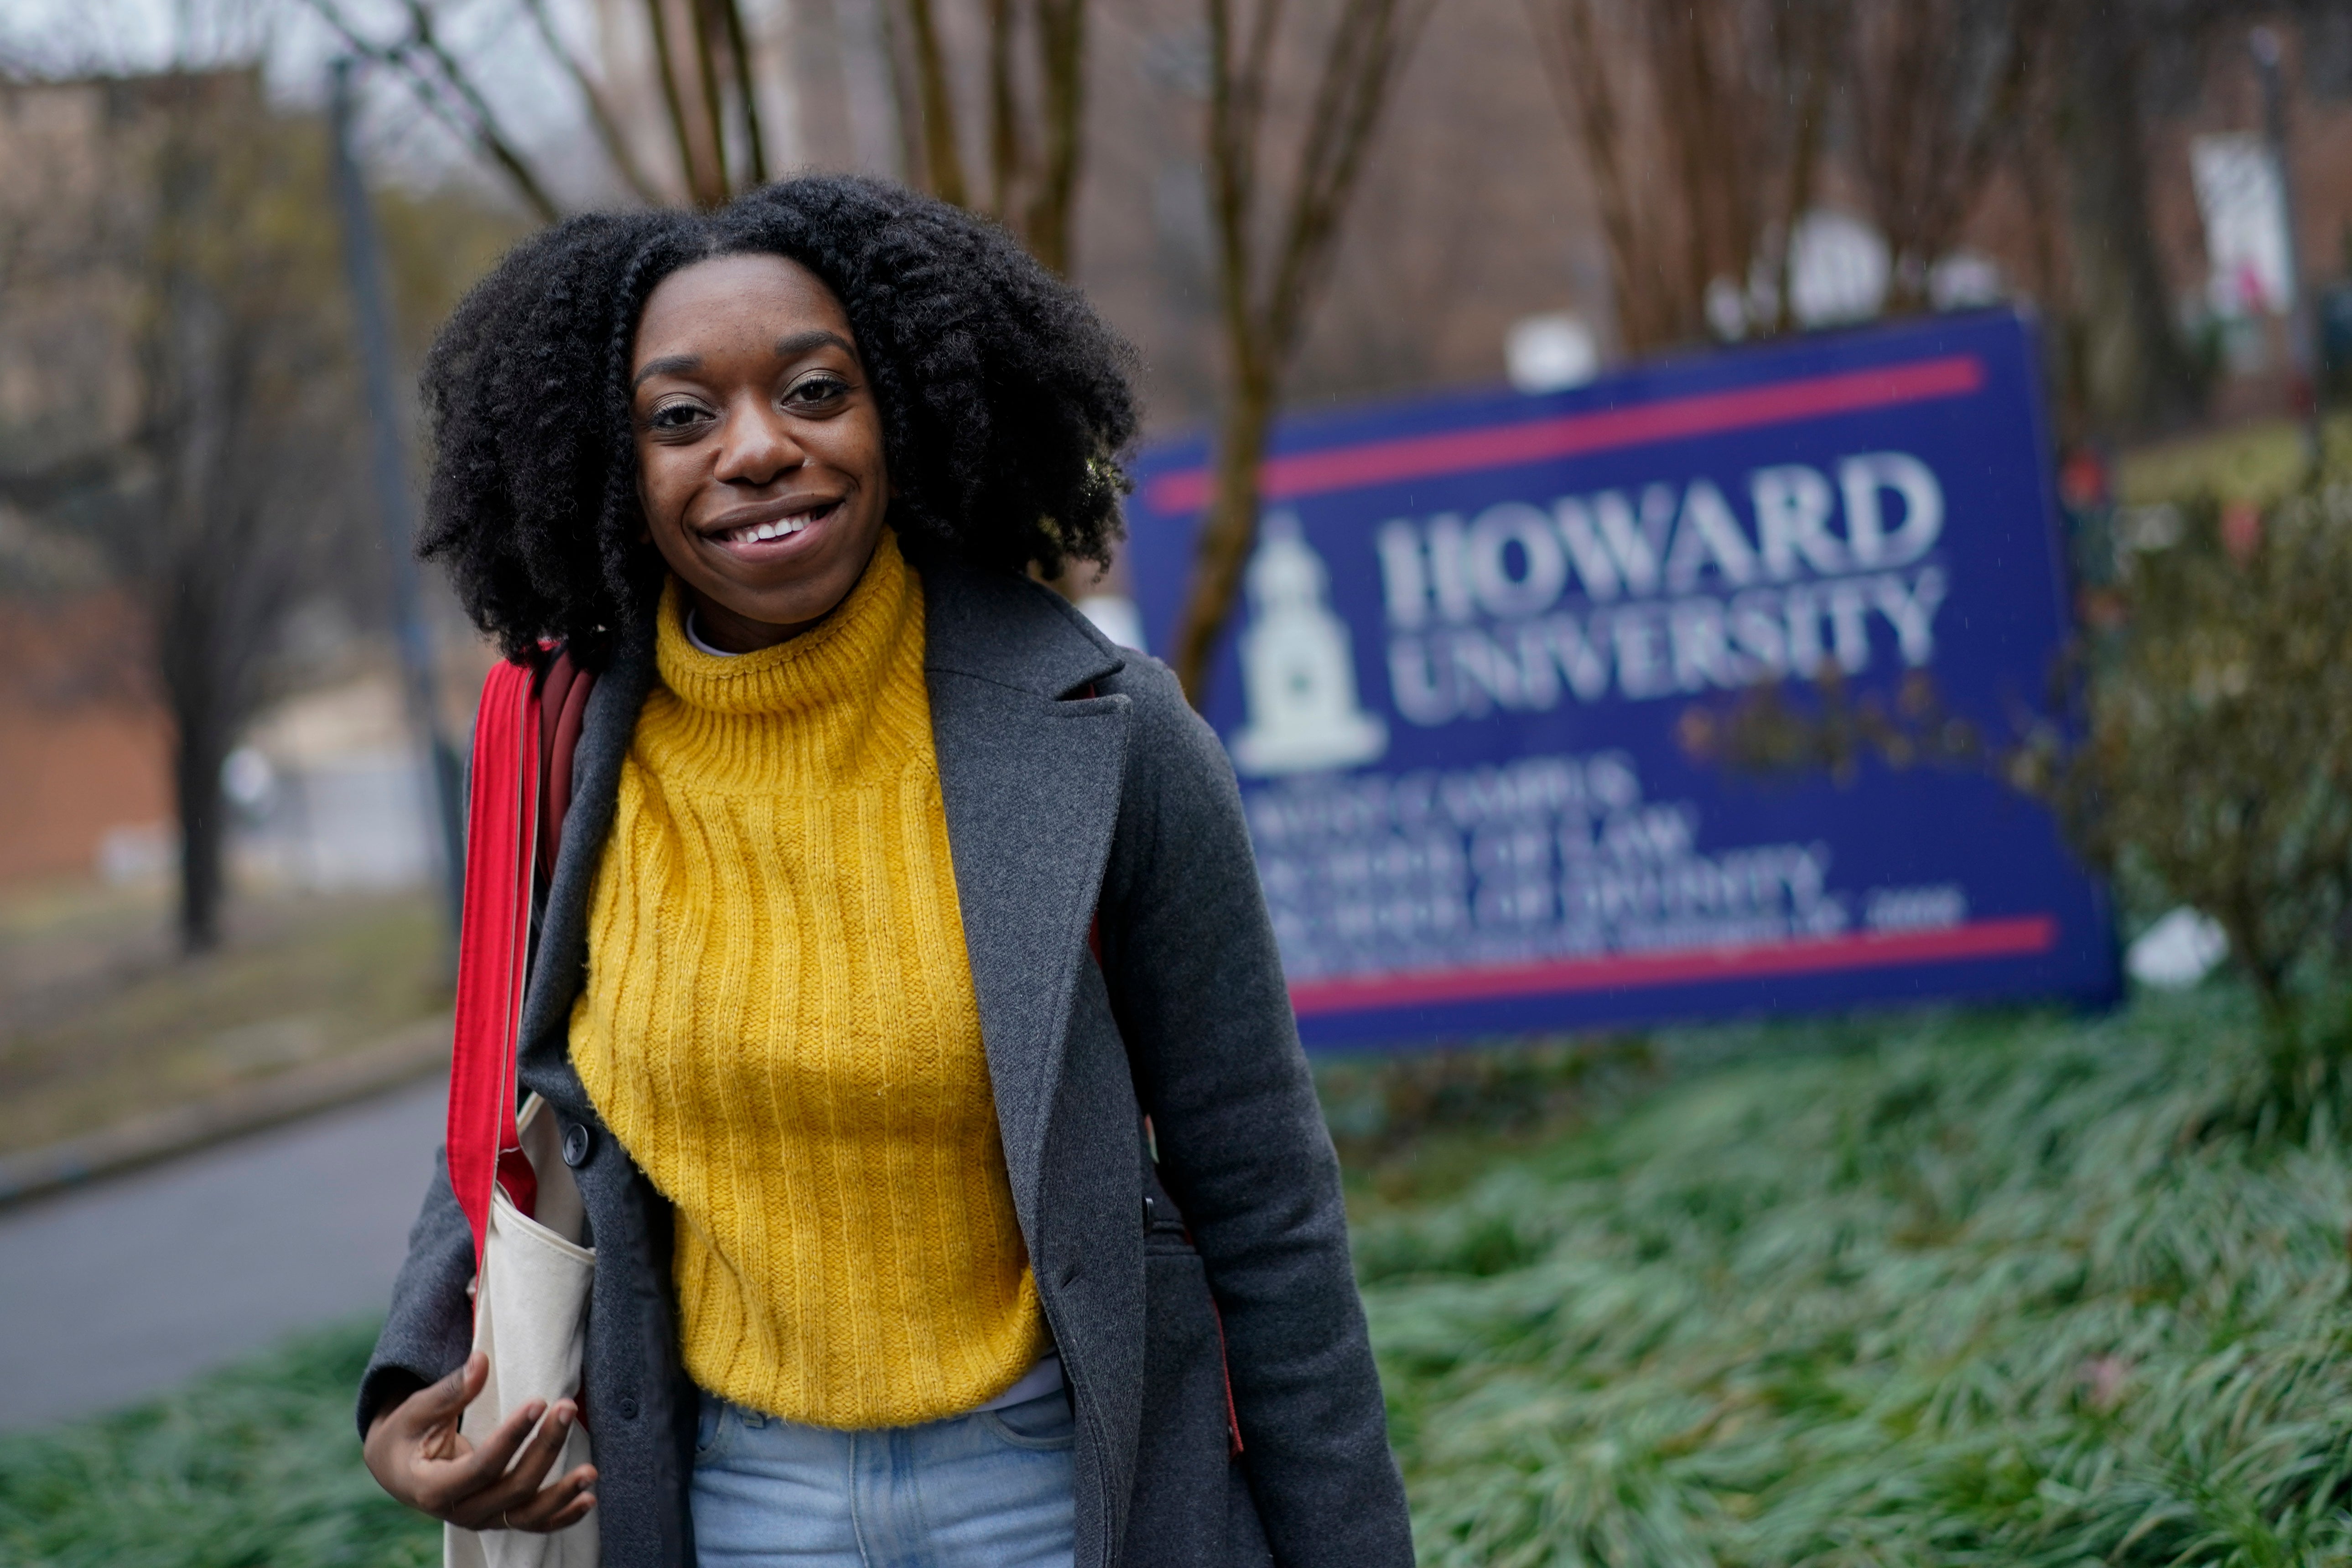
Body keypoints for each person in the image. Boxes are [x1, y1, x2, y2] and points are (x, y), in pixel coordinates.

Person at [355, 175, 1413, 1568]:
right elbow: (519, 1089)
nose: (754, 451)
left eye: (813, 390)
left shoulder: (1110, 733)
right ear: (615, 465)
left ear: (905, 416)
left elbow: (1267, 1205)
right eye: (681, 418)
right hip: (733, 1501)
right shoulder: (565, 748)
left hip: (1056, 1489)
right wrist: (409, 1383)